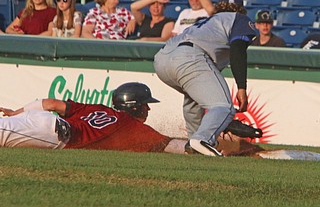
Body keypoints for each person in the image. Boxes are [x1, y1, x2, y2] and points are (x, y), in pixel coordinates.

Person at [0, 81, 263, 156]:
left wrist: (17, 112)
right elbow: (182, 148)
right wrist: (231, 145)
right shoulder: (132, 129)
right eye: (145, 106)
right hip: (53, 134)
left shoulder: (96, 108)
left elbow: (50, 103)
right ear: (134, 107)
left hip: (41, 120)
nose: (148, 111)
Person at [154, 0, 257, 156]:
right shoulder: (240, 19)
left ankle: (194, 144)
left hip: (162, 59)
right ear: (241, 9)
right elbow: (238, 49)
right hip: (190, 56)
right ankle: (202, 139)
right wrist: (242, 87)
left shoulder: (207, 22)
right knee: (224, 107)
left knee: (194, 101)